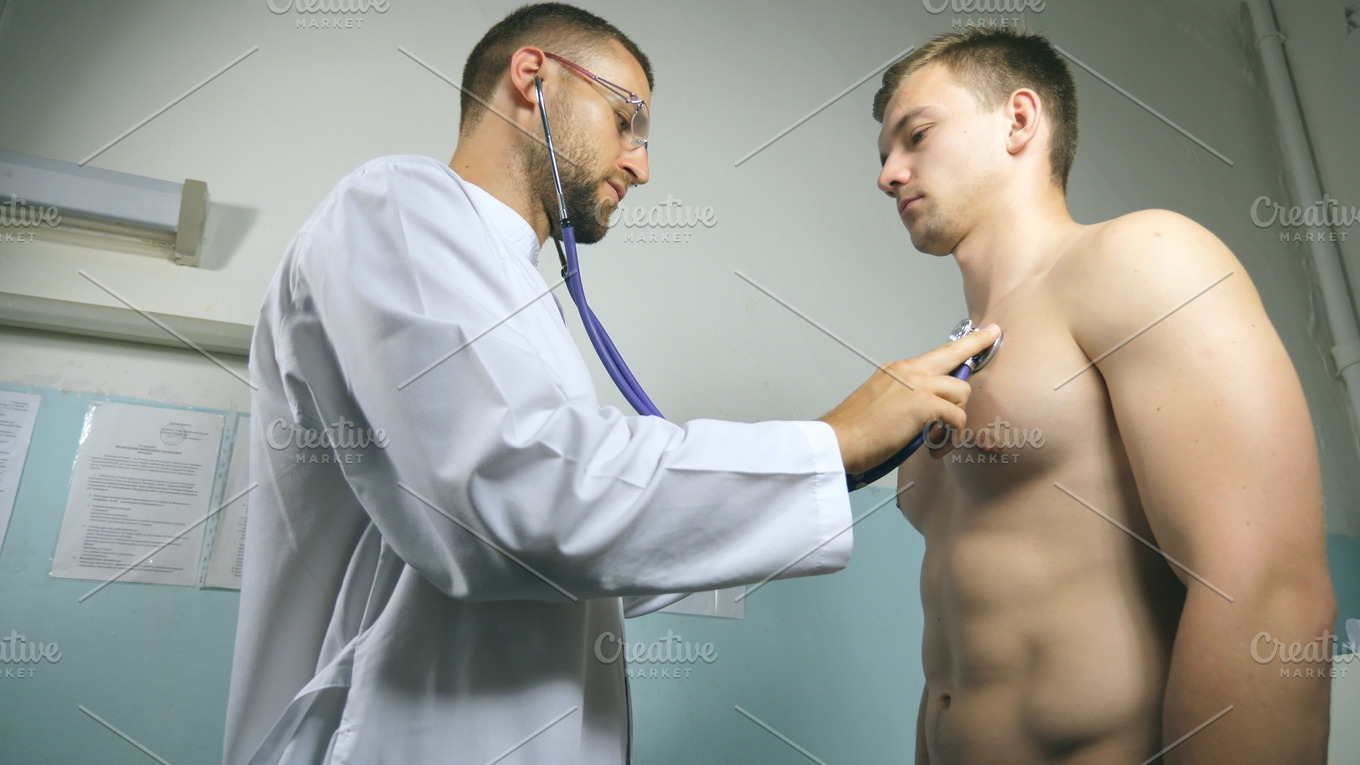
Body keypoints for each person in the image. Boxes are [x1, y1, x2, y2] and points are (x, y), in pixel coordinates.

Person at [223, 4, 999, 763]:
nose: (641, 163)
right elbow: (514, 502)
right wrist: (833, 440)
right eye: (627, 120)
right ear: (533, 76)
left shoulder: (515, 293)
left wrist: (844, 464)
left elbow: (579, 557)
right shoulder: (395, 205)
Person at [874, 27, 1336, 764]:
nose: (890, 173)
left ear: (1020, 119)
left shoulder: (1140, 257)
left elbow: (1269, 591)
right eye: (883, 154)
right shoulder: (951, 362)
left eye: (916, 135)